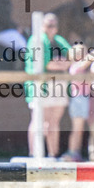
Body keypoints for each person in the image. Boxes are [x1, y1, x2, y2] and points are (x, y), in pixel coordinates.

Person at [24, 13, 72, 158]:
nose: (51, 29)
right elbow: (44, 63)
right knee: (38, 120)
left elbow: (71, 58)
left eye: (53, 26)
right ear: (42, 26)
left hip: (58, 86)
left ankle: (53, 155)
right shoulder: (36, 40)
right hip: (41, 85)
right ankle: (33, 154)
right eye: (48, 25)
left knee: (54, 122)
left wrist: (60, 64)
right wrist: (58, 64)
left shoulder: (59, 41)